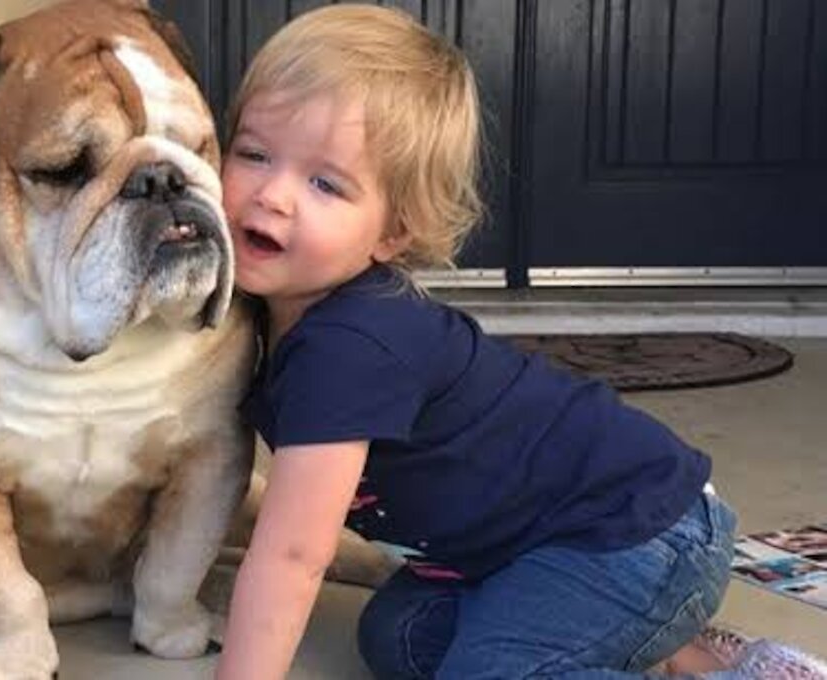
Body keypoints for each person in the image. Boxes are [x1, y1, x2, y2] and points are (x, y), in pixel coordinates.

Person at [212, 6, 742, 679]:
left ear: (392, 232)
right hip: (535, 547)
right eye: (254, 153)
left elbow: (293, 552)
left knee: (487, 673)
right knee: (398, 638)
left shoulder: (350, 348)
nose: (273, 195)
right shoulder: (264, 309)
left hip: (632, 534)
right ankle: (675, 654)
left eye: (325, 184)